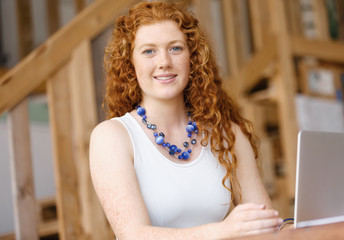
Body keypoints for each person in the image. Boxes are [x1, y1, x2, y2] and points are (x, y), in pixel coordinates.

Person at [89, 1, 283, 239]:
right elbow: (133, 235)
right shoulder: (112, 137)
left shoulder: (227, 134)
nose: (164, 62)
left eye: (175, 48)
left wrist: (295, 227)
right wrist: (223, 231)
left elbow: (266, 225)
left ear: (193, 58)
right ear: (130, 63)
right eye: (149, 51)